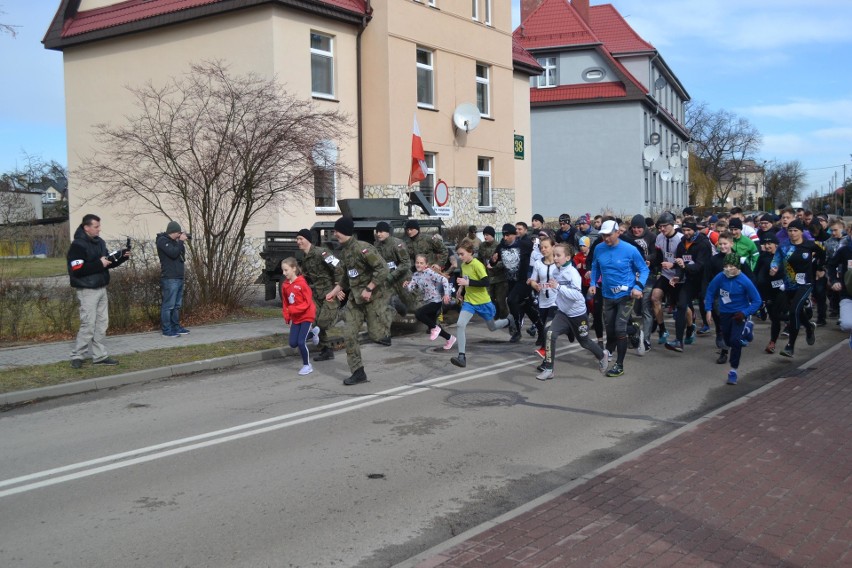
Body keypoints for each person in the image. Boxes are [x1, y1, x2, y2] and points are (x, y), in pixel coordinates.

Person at [325, 216, 391, 385]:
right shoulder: (344, 251)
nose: (334, 234)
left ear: (345, 231)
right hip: (355, 300)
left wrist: (369, 288)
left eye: (336, 231)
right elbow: (348, 278)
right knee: (349, 335)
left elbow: (383, 269)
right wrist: (334, 291)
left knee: (377, 335)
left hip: (373, 298)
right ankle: (358, 372)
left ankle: (391, 312)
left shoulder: (363, 249)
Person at [536, 243, 609, 380]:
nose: (555, 258)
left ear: (568, 257)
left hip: (578, 314)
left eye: (559, 255)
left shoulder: (573, 273)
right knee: (550, 333)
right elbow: (556, 291)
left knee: (585, 342)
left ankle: (602, 355)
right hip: (563, 313)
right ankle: (549, 369)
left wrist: (558, 287)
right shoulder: (555, 272)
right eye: (554, 255)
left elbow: (577, 295)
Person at [67, 213, 130, 368]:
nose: (99, 229)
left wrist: (122, 257)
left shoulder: (100, 242)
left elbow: (106, 262)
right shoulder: (78, 245)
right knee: (88, 324)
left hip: (101, 288)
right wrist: (99, 263)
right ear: (86, 227)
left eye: (99, 226)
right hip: (87, 290)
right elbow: (77, 269)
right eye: (96, 227)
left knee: (102, 324)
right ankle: (78, 355)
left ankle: (100, 356)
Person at [589, 220, 649, 377]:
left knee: (619, 329)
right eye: (603, 235)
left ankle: (619, 365)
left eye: (609, 235)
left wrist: (638, 287)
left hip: (626, 295)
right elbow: (595, 266)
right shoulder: (599, 248)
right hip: (607, 295)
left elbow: (643, 269)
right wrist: (593, 283)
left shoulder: (630, 250)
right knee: (610, 331)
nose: (606, 238)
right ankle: (635, 330)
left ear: (617, 232)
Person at [451, 241, 517, 368]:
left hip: (483, 302)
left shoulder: (478, 265)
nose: (460, 257)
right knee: (460, 325)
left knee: (492, 327)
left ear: (470, 252)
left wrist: (468, 283)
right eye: (458, 254)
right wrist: (461, 289)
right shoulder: (464, 265)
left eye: (462, 254)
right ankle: (461, 357)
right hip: (469, 302)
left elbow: (485, 282)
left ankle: (509, 320)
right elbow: (465, 279)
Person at [704, 253, 762, 385]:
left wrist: (745, 312)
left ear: (737, 267)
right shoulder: (720, 277)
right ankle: (747, 330)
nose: (728, 269)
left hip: (739, 314)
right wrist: (708, 309)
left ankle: (733, 371)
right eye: (726, 266)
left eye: (731, 266)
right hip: (724, 312)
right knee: (728, 341)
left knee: (735, 341)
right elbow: (710, 291)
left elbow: (757, 301)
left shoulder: (744, 280)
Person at [769, 219, 824, 357]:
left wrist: (820, 268)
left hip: (805, 284)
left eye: (795, 231)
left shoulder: (810, 245)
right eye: (790, 231)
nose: (793, 233)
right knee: (798, 312)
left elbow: (823, 254)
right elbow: (776, 259)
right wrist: (773, 267)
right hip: (789, 285)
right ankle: (809, 327)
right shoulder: (784, 246)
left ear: (801, 232)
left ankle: (790, 346)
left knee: (794, 311)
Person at [665, 220, 712, 353]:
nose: (686, 233)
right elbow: (679, 263)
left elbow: (699, 266)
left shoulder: (703, 244)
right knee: (681, 306)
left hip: (704, 281)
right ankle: (679, 341)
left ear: (695, 230)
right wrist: (678, 277)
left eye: (688, 230)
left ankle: (721, 336)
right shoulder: (682, 244)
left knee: (708, 308)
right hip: (690, 281)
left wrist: (684, 266)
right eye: (684, 230)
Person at [295, 228, 341, 362]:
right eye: (297, 239)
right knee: (313, 322)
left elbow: (338, 266)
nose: (298, 242)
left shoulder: (322, 253)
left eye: (300, 239)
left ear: (308, 240)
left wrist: (338, 287)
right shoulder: (305, 258)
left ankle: (342, 313)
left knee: (323, 323)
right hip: (316, 295)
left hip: (329, 293)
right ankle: (326, 350)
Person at [494, 223, 541, 343]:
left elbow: (538, 256)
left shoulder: (524, 245)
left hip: (524, 281)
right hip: (511, 281)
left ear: (514, 235)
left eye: (507, 235)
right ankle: (541, 331)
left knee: (511, 300)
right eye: (504, 235)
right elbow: (494, 259)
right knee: (526, 306)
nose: (505, 238)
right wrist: (493, 260)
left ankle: (517, 331)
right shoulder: (501, 246)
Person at [403, 254, 455, 350]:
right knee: (433, 325)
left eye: (421, 263)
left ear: (426, 264)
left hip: (436, 301)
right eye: (417, 263)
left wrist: (446, 294)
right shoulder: (415, 275)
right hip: (427, 302)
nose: (418, 265)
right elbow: (411, 289)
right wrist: (407, 285)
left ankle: (435, 328)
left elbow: (444, 280)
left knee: (419, 314)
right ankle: (450, 338)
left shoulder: (429, 272)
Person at [280, 257, 318, 376]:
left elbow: (307, 303)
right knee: (293, 343)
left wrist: (293, 309)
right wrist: (287, 315)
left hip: (306, 315)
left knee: (301, 342)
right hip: (296, 318)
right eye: (283, 270)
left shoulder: (302, 284)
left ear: (294, 269)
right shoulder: (285, 285)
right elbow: (285, 303)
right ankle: (314, 333)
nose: (284, 273)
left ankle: (307, 365)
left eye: (286, 270)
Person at [651, 212, 682, 344]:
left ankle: (690, 326)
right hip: (665, 274)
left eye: (664, 226)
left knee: (683, 307)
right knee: (655, 297)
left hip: (679, 276)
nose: (662, 229)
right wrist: (651, 263)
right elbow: (658, 257)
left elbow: (685, 261)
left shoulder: (681, 238)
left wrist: (673, 264)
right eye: (660, 227)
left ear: (672, 225)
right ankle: (662, 329)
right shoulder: (659, 238)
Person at [156, 220, 189, 337]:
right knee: (168, 305)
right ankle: (167, 330)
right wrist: (180, 241)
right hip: (170, 278)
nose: (180, 235)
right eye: (178, 232)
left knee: (176, 306)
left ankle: (176, 327)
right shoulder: (162, 241)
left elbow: (181, 254)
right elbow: (173, 253)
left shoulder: (175, 241)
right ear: (173, 232)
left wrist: (180, 242)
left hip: (179, 277)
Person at [529, 235, 559, 358]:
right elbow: (532, 280)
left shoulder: (558, 264)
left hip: (555, 302)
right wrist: (534, 284)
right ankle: (569, 329)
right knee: (544, 327)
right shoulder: (538, 264)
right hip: (543, 301)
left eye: (546, 247)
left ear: (553, 247)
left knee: (548, 330)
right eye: (541, 247)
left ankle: (544, 352)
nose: (543, 250)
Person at [374, 221, 412, 317]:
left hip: (401, 278)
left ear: (387, 232)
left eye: (381, 231)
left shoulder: (398, 244)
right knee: (387, 301)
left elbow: (406, 263)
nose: (378, 234)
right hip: (387, 279)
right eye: (377, 231)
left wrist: (392, 275)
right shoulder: (377, 246)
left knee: (406, 305)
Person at [826, 236, 852, 349]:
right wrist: (834, 281)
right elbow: (831, 265)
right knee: (847, 325)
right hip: (847, 293)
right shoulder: (845, 250)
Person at [479, 226, 508, 319]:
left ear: (492, 235)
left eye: (487, 235)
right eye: (484, 235)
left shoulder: (499, 246)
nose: (485, 237)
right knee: (489, 298)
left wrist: (494, 265)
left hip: (499, 277)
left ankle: (504, 318)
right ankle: (494, 315)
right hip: (487, 277)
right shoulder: (482, 246)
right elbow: (480, 259)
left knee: (500, 300)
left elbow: (504, 261)